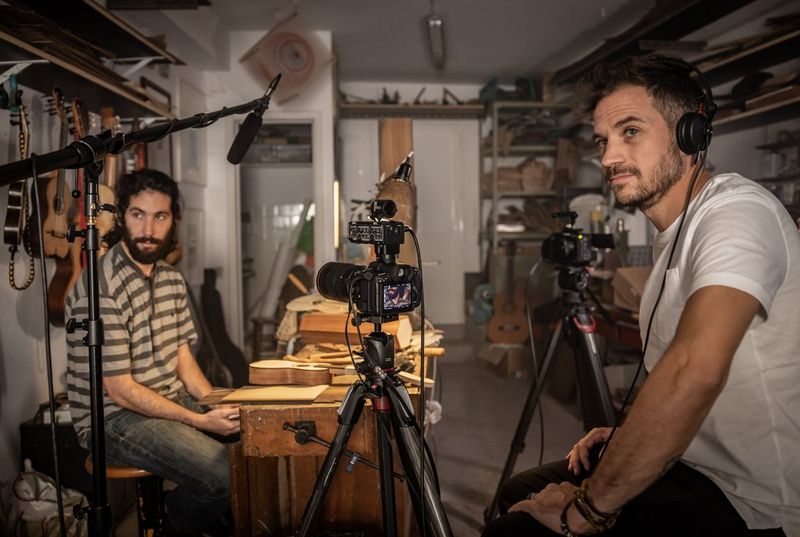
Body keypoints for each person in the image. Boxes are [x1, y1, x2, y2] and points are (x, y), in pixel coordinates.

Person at [483, 54, 799, 536]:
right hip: (694, 463)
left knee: (520, 529)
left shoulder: (738, 214)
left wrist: (587, 511)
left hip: (755, 503)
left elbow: (695, 370)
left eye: (630, 131)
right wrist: (630, 435)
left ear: (690, 133)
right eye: (603, 141)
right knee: (516, 493)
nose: (608, 157)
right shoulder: (672, 234)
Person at [65, 169, 239, 536]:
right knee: (222, 474)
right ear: (122, 216)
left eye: (160, 216)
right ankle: (171, 524)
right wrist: (201, 421)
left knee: (252, 438)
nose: (148, 228)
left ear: (174, 219)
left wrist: (214, 400)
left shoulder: (171, 279)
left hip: (165, 397)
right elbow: (121, 390)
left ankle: (214, 519)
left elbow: (182, 358)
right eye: (138, 214)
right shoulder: (100, 287)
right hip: (113, 419)